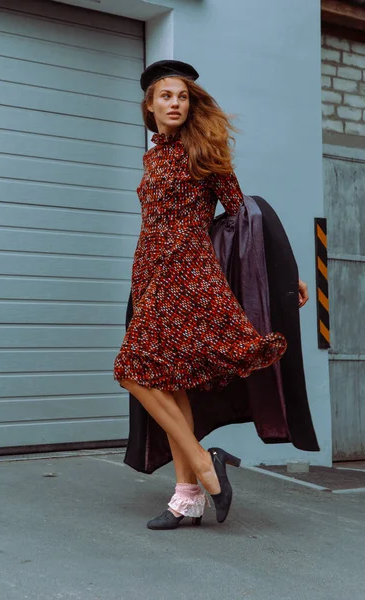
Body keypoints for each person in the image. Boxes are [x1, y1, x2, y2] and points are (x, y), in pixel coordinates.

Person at [113, 60, 294, 530]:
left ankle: (204, 461)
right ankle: (188, 496)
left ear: (190, 105)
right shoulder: (152, 157)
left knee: (131, 371)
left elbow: (243, 214)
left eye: (183, 96)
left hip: (187, 274)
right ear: (149, 107)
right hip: (151, 275)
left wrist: (282, 273)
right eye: (166, 96)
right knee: (169, 380)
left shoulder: (203, 151)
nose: (175, 103)